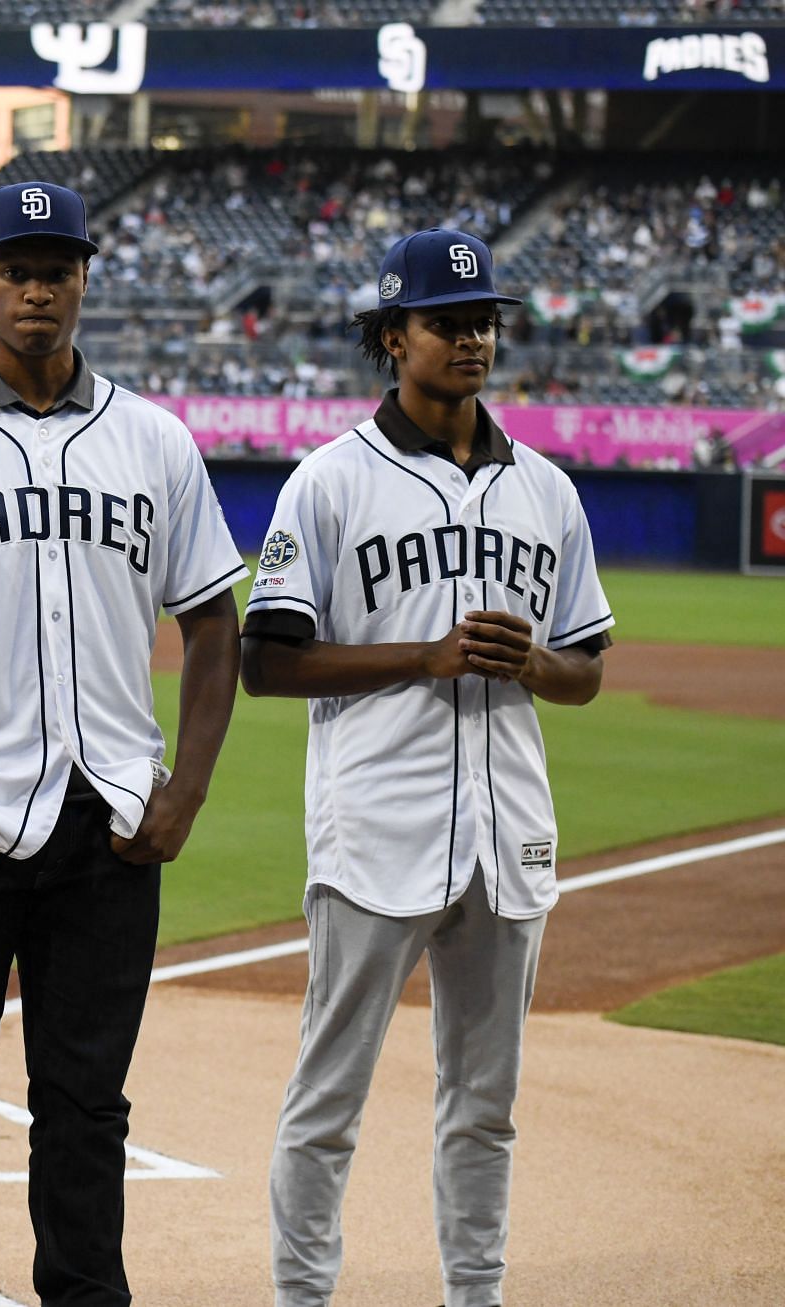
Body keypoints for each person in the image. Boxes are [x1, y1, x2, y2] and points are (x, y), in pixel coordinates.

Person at [0, 180, 246, 1306]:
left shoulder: (153, 441)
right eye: (16, 267)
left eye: (56, 266)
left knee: (87, 1100)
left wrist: (189, 789)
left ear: (84, 279)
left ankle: (85, 1293)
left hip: (108, 823)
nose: (37, 287)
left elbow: (213, 619)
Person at [245, 228, 613, 1307]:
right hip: (377, 830)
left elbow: (587, 663)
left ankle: (475, 1294)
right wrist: (425, 654)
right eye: (448, 321)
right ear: (391, 335)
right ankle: (303, 1296)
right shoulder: (327, 482)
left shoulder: (546, 488)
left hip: (507, 831)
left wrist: (537, 663)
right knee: (329, 1098)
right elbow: (268, 660)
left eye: (483, 321)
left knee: (485, 1103)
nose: (472, 338)